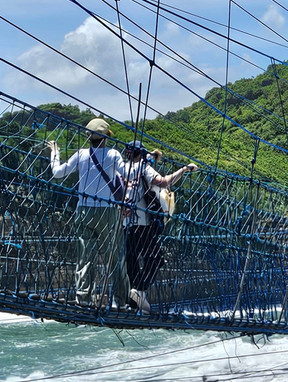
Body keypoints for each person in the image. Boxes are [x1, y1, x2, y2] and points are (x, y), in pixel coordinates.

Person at [47, 118, 129, 309]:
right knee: (115, 257)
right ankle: (121, 301)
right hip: (107, 212)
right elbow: (128, 173)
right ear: (107, 137)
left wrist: (55, 153)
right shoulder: (114, 154)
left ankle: (82, 300)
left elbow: (58, 173)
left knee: (85, 258)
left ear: (88, 137)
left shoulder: (81, 154)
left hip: (83, 211)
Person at [121, 143, 198, 313]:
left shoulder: (120, 168)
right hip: (142, 223)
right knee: (156, 259)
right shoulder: (143, 168)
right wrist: (184, 169)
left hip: (125, 225)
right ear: (141, 155)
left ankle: (133, 303)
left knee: (131, 263)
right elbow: (163, 182)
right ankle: (139, 291)